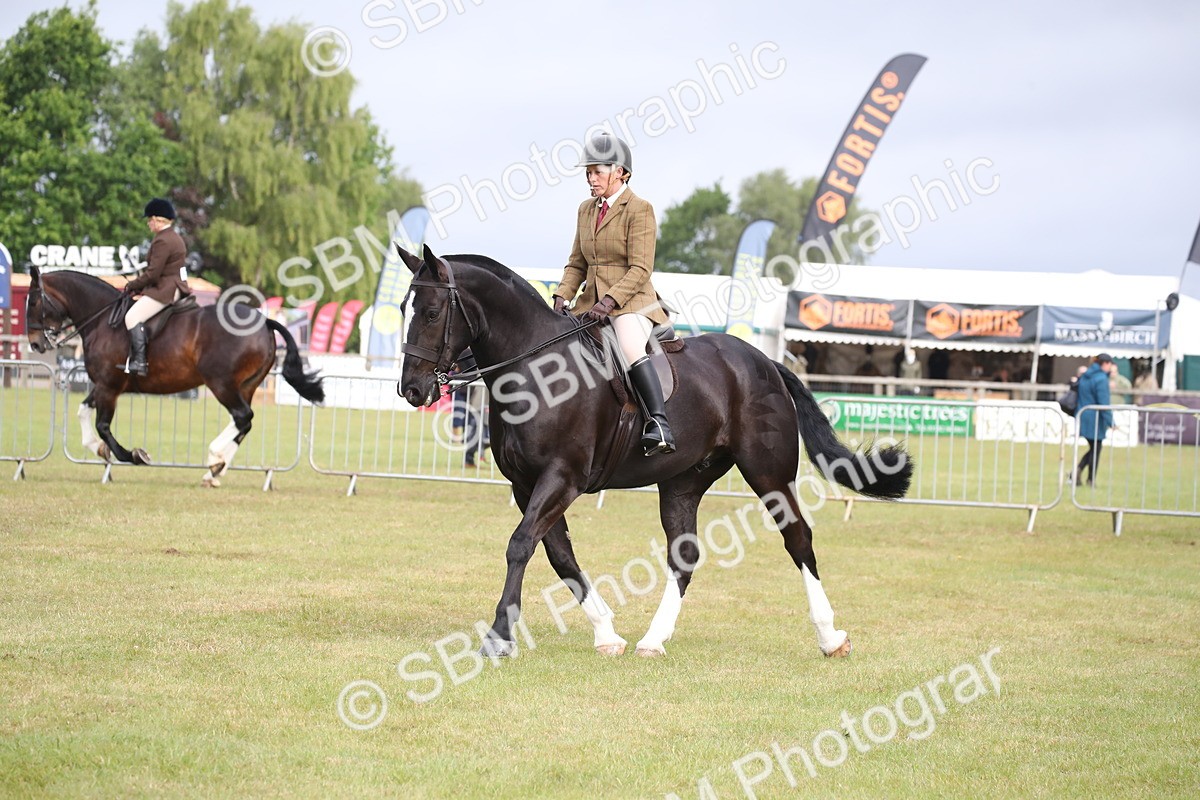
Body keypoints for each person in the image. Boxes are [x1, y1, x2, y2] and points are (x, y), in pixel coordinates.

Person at [552, 133, 674, 456]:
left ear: (620, 171)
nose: (591, 179)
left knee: (630, 344)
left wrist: (610, 302)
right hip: (591, 304)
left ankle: (659, 423)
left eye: (597, 172)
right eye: (588, 173)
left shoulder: (639, 209)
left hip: (633, 303)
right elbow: (577, 262)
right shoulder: (585, 210)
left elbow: (640, 269)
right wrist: (561, 296)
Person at [120, 198, 190, 375]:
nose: (148, 223)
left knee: (132, 317)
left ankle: (140, 362)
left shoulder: (162, 241)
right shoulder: (176, 238)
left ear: (159, 220)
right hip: (175, 286)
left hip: (166, 289)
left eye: (150, 219)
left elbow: (153, 274)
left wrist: (131, 285)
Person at [1074, 353, 1117, 486]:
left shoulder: (1085, 376)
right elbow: (1103, 403)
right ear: (1105, 364)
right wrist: (1111, 421)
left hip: (1083, 414)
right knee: (1096, 449)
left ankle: (1078, 473)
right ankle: (1089, 478)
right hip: (1095, 418)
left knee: (1094, 448)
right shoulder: (1101, 379)